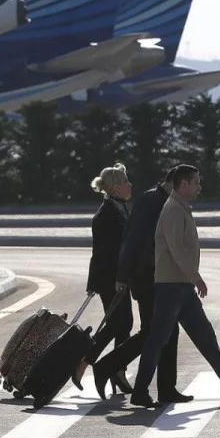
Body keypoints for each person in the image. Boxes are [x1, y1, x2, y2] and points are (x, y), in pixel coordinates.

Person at [129, 164, 220, 408]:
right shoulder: (174, 210)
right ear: (183, 184)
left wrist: (191, 278)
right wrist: (195, 276)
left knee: (205, 337)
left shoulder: (180, 207)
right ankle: (140, 391)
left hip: (180, 286)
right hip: (171, 285)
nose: (199, 187)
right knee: (158, 339)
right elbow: (178, 248)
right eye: (196, 182)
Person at [88, 167, 189, 403]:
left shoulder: (130, 206)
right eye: (124, 181)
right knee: (152, 332)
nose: (130, 184)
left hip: (153, 277)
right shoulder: (148, 202)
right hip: (145, 278)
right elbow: (127, 246)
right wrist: (121, 278)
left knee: (162, 331)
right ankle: (107, 366)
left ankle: (163, 388)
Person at [71, 162, 135, 391]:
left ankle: (117, 370)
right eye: (126, 181)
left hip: (119, 278)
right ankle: (85, 363)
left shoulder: (120, 208)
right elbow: (102, 253)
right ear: (116, 188)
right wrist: (108, 280)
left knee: (123, 323)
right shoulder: (107, 214)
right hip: (110, 279)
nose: (130, 185)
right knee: (119, 323)